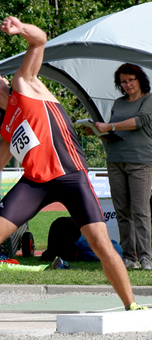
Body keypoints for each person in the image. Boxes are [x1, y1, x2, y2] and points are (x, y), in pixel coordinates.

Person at [0, 17, 147, 322]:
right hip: (36, 182)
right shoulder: (6, 125)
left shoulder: (25, 83)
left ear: (2, 78)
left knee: (100, 243)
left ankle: (131, 305)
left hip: (69, 174)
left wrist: (20, 29)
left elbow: (40, 40)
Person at [85, 63, 152, 270]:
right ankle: (129, 257)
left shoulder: (149, 99)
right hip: (115, 160)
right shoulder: (118, 103)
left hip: (140, 161)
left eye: (131, 79)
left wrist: (110, 126)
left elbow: (139, 122)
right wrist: (97, 132)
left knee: (140, 210)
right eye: (123, 81)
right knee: (122, 211)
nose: (128, 84)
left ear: (140, 79)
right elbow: (113, 133)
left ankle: (146, 258)